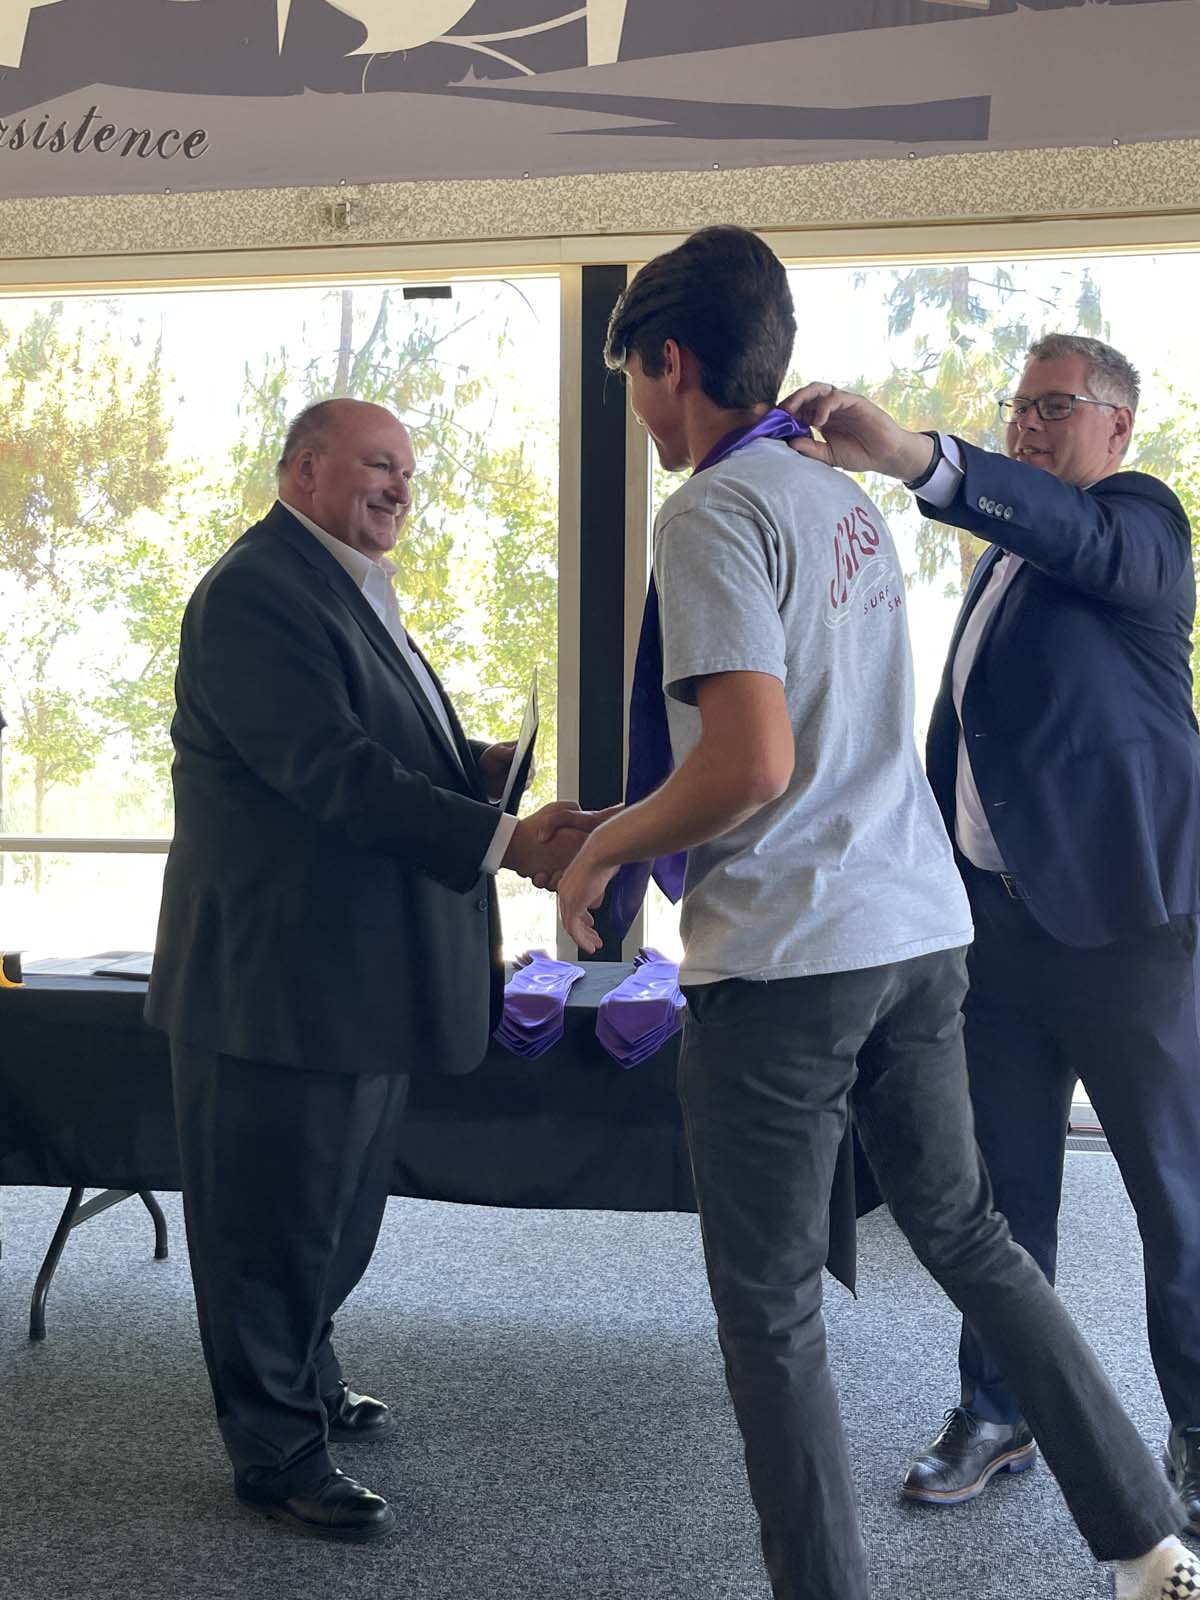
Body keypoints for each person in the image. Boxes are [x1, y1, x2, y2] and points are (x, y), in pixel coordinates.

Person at [556, 227, 1195, 1600]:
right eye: (1020, 408)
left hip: (812, 953)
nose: (1030, 422)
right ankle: (1146, 1539)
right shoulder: (840, 500)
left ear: (668, 363)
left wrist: (601, 849)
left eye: (633, 382)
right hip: (932, 933)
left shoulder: (725, 508)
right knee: (974, 1228)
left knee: (775, 1314)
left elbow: (750, 764)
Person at [146, 397, 597, 1542]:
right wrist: (500, 836)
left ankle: (305, 1379)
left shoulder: (341, 586)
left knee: (333, 1210)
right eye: (377, 465)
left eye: (407, 470)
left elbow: (370, 753)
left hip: (346, 980)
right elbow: (329, 770)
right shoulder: (255, 592)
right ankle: (276, 1452)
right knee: (269, 1224)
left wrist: (472, 772)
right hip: (277, 986)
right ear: (301, 470)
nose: (400, 486)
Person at [779, 335, 1200, 1526]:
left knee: (1178, 1196)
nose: (1029, 425)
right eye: (1018, 408)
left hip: (1126, 929)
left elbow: (1080, 536)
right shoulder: (1005, 562)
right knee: (999, 1194)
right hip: (998, 933)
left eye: (1056, 407)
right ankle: (1000, 1407)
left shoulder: (1141, 527)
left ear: (1120, 427)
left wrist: (916, 457)